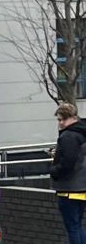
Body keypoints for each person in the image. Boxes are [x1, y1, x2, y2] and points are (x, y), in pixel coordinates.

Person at [51, 102, 86, 244]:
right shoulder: (82, 132)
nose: (60, 123)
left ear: (72, 117)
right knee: (77, 225)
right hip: (82, 187)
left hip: (69, 189)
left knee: (72, 227)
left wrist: (54, 170)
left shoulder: (69, 136)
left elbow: (68, 162)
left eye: (62, 119)